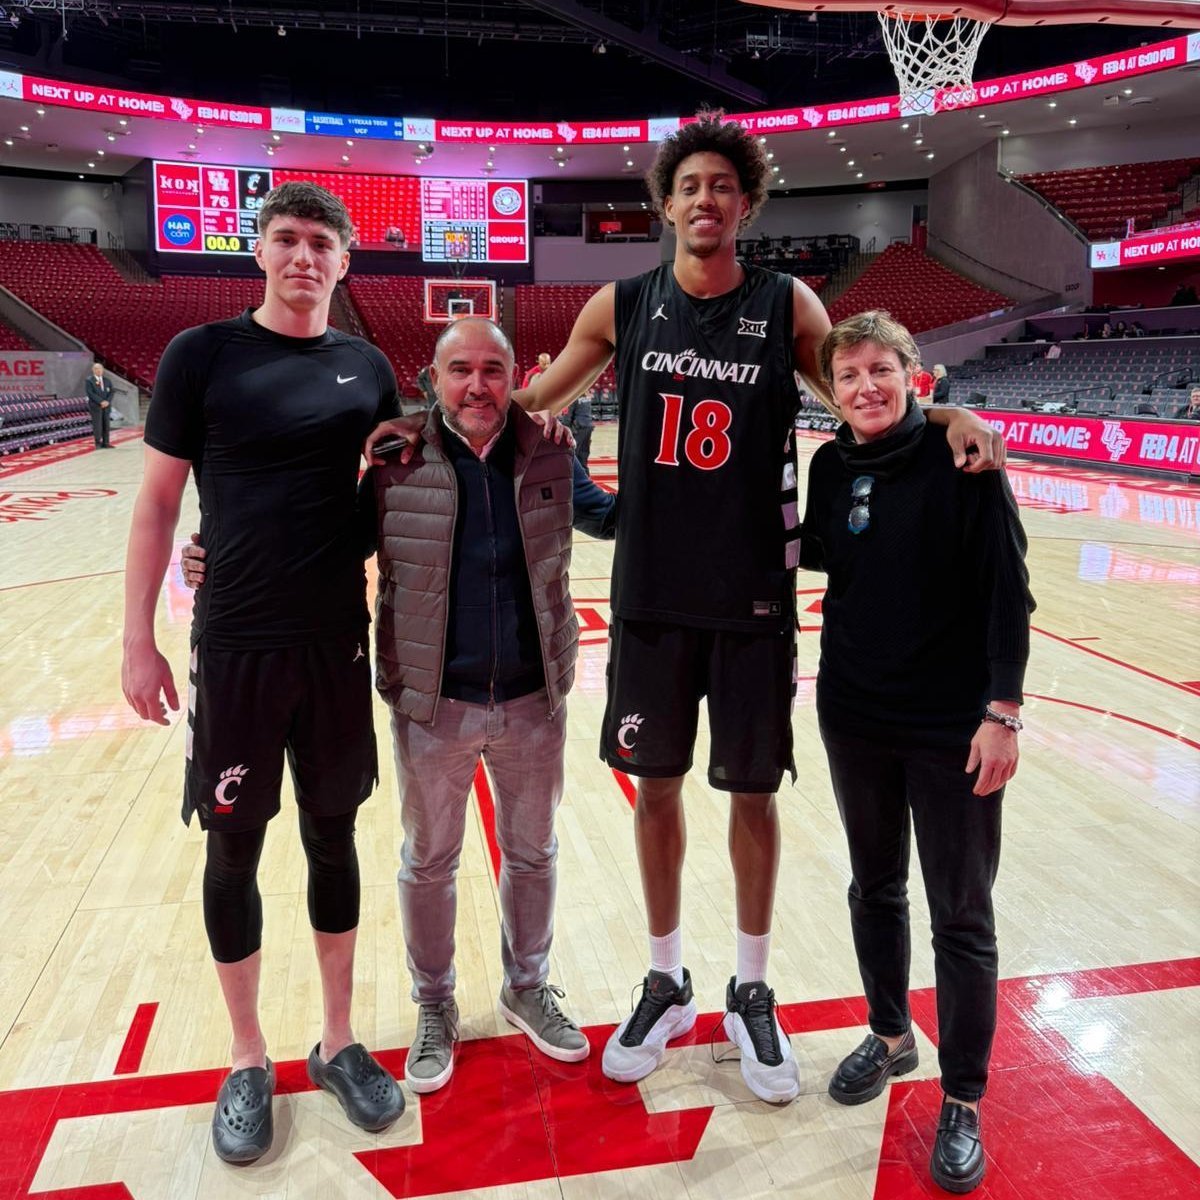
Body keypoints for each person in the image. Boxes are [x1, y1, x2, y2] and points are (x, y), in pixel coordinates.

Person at [365, 110, 1004, 1107]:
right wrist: (424, 422)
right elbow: (527, 399)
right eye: (689, 185)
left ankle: (751, 987)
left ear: (746, 203)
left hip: (752, 600)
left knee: (753, 799)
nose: (706, 199)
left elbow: (858, 390)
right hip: (652, 602)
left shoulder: (786, 302)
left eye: (723, 185)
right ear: (666, 204)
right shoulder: (623, 305)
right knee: (655, 792)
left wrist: (948, 409)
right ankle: (665, 980)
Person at [121, 181, 404, 1165]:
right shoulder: (200, 356)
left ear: (344, 262)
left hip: (335, 644)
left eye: (322, 243)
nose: (303, 257)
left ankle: (338, 1041)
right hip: (236, 646)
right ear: (260, 251)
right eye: (287, 238)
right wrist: (138, 638)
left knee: (335, 838)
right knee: (233, 849)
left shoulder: (369, 368)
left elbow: (390, 498)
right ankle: (247, 1057)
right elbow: (158, 504)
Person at [801, 310, 1033, 1194]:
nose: (866, 386)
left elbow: (1008, 593)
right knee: (874, 887)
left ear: (913, 375)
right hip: (854, 713)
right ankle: (891, 1033)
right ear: (832, 390)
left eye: (880, 369)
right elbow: (824, 559)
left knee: (961, 915)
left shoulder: (966, 460)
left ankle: (963, 1096)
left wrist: (1003, 712)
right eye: (848, 374)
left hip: (952, 725)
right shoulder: (830, 467)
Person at [370, 317, 615, 1094]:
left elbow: (611, 517)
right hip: (432, 703)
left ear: (516, 379)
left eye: (493, 370)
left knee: (533, 852)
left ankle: (527, 987)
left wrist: (702, 491)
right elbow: (325, 543)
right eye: (461, 370)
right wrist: (216, 553)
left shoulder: (549, 450)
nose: (477, 386)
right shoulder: (395, 462)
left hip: (532, 700)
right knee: (429, 862)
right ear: (433, 378)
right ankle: (434, 1003)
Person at [561, 390, 595, 474]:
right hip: (588, 426)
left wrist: (564, 430)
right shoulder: (586, 396)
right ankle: (586, 477)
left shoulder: (573, 397)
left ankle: (575, 477)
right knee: (584, 455)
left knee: (574, 456)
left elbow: (567, 418)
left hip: (578, 428)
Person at [85, 360, 114, 448]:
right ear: (93, 370)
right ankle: (98, 442)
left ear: (103, 370)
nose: (99, 370)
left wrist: (107, 401)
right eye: (96, 369)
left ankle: (106, 442)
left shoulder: (107, 380)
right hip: (96, 406)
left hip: (106, 406)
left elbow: (111, 392)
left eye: (100, 368)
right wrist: (101, 401)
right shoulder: (89, 380)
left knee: (106, 424)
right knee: (98, 425)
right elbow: (90, 393)